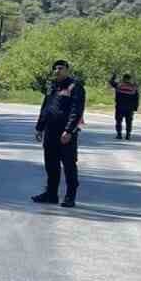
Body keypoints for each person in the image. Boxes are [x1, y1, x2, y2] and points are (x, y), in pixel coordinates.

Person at [33, 59, 85, 206]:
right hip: (50, 131)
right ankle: (51, 194)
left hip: (65, 133)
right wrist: (39, 127)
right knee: (51, 164)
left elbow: (77, 110)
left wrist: (69, 130)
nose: (57, 71)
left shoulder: (75, 86)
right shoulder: (52, 86)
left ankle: (70, 197)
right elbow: (46, 108)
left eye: (61, 68)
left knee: (69, 165)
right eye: (55, 68)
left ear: (67, 70)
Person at [108, 72, 140, 140]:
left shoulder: (119, 85)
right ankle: (128, 135)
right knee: (129, 122)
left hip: (120, 106)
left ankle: (119, 134)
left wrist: (114, 76)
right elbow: (137, 98)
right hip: (130, 108)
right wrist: (135, 107)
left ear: (123, 78)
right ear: (130, 79)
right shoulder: (133, 87)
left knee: (119, 121)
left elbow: (111, 82)